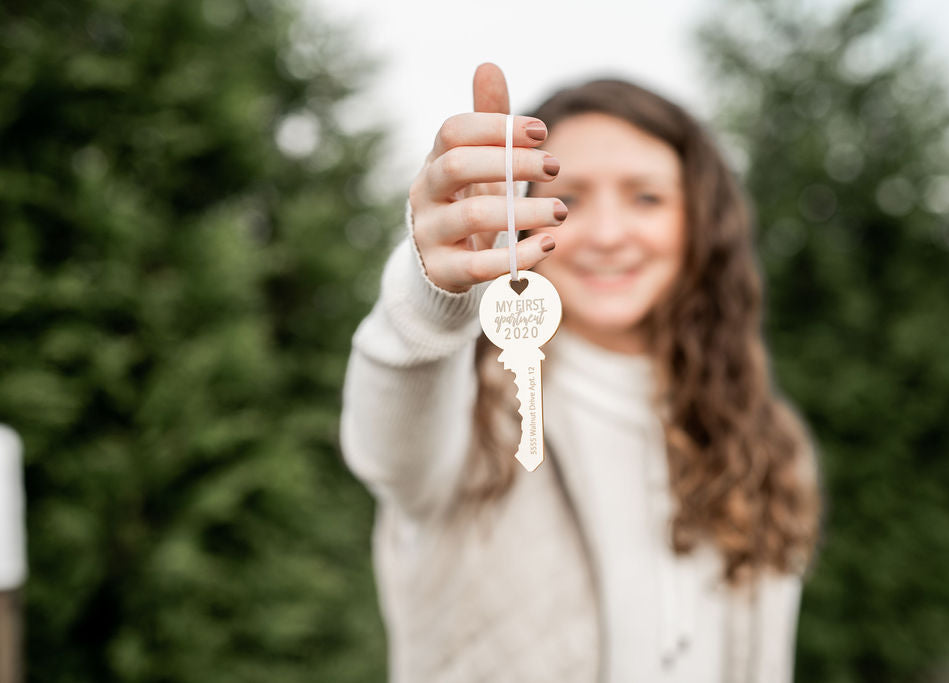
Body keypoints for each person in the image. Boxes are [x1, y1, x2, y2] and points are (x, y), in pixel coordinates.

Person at [340, 62, 822, 683]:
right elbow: (389, 454)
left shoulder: (765, 437)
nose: (607, 234)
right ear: (523, 217)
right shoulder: (476, 408)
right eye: (568, 200)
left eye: (645, 197)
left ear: (699, 221)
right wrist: (432, 295)